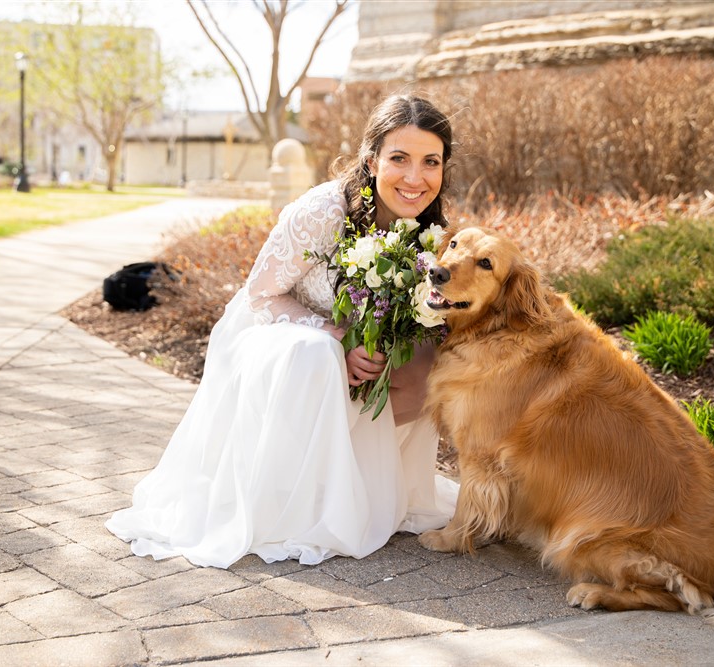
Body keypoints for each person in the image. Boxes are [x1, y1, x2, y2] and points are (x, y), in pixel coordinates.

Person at [105, 94, 459, 568]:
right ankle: (289, 498)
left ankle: (354, 485)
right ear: (371, 160)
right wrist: (338, 339)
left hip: (348, 346)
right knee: (316, 355)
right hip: (276, 338)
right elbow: (260, 296)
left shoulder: (427, 230)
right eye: (399, 159)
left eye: (430, 162)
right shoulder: (323, 210)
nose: (415, 178)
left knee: (428, 361)